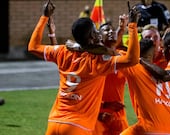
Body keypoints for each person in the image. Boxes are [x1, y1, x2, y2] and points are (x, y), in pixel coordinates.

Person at [28, 1, 140, 135]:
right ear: (92, 36)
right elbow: (132, 59)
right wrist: (132, 26)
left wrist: (44, 17)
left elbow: (33, 47)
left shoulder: (63, 51)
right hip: (78, 126)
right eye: (96, 30)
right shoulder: (98, 61)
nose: (99, 33)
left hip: (54, 122)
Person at [92, 14, 129, 135]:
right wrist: (103, 107)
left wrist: (123, 28)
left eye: (112, 29)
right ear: (99, 36)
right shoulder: (92, 58)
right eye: (106, 30)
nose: (111, 31)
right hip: (97, 116)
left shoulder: (123, 56)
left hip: (119, 117)